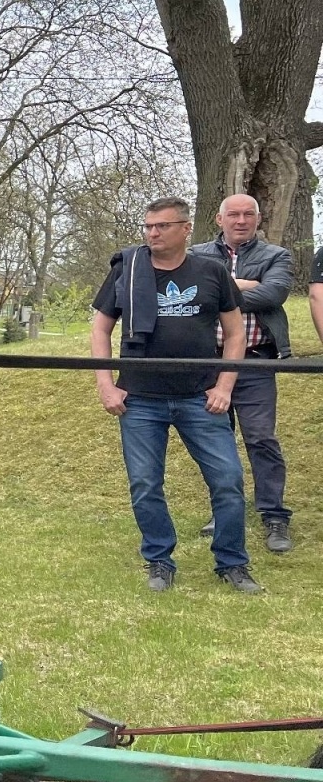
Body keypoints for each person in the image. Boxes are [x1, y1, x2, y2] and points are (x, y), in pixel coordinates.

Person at [91, 197, 257, 593]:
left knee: (228, 480)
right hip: (140, 400)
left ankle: (232, 562)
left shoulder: (211, 271)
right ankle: (159, 560)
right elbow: (100, 329)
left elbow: (235, 334)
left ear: (186, 228)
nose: (152, 234)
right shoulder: (126, 271)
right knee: (145, 484)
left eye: (162, 226)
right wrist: (105, 384)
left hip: (201, 397)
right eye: (148, 226)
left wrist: (225, 385)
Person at [191, 194, 294, 554]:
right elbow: (196, 299)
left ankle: (274, 516)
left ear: (258, 218)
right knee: (216, 442)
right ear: (219, 219)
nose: (240, 220)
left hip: (255, 363)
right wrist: (245, 285)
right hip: (208, 364)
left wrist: (223, 289)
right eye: (233, 214)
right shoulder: (196, 255)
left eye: (248, 214)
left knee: (262, 439)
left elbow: (275, 293)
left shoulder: (276, 255)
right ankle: (223, 512)